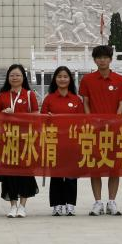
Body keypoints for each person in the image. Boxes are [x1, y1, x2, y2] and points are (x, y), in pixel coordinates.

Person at [79, 44, 122, 215]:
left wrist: (115, 121)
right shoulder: (87, 80)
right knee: (96, 166)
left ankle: (112, 201)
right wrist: (92, 121)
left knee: (115, 167)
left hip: (114, 130)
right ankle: (98, 202)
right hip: (95, 130)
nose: (102, 60)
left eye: (105, 57)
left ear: (110, 59)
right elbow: (85, 102)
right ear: (95, 60)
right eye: (99, 58)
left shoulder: (120, 80)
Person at [0, 63, 39, 218]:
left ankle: (22, 205)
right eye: (12, 75)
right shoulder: (2, 96)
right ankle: (12, 205)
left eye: (18, 75)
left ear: (23, 77)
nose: (15, 78)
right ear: (8, 77)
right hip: (8, 140)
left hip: (25, 139)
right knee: (10, 174)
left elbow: (35, 115)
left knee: (25, 173)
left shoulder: (29, 94)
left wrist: (17, 115)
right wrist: (3, 114)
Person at [40, 65, 84, 216]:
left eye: (65, 76)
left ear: (70, 79)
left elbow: (82, 121)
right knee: (57, 175)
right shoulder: (49, 99)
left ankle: (70, 204)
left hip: (72, 143)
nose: (62, 79)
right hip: (54, 142)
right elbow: (42, 120)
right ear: (55, 79)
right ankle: (57, 204)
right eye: (59, 76)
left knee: (71, 175)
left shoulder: (76, 99)